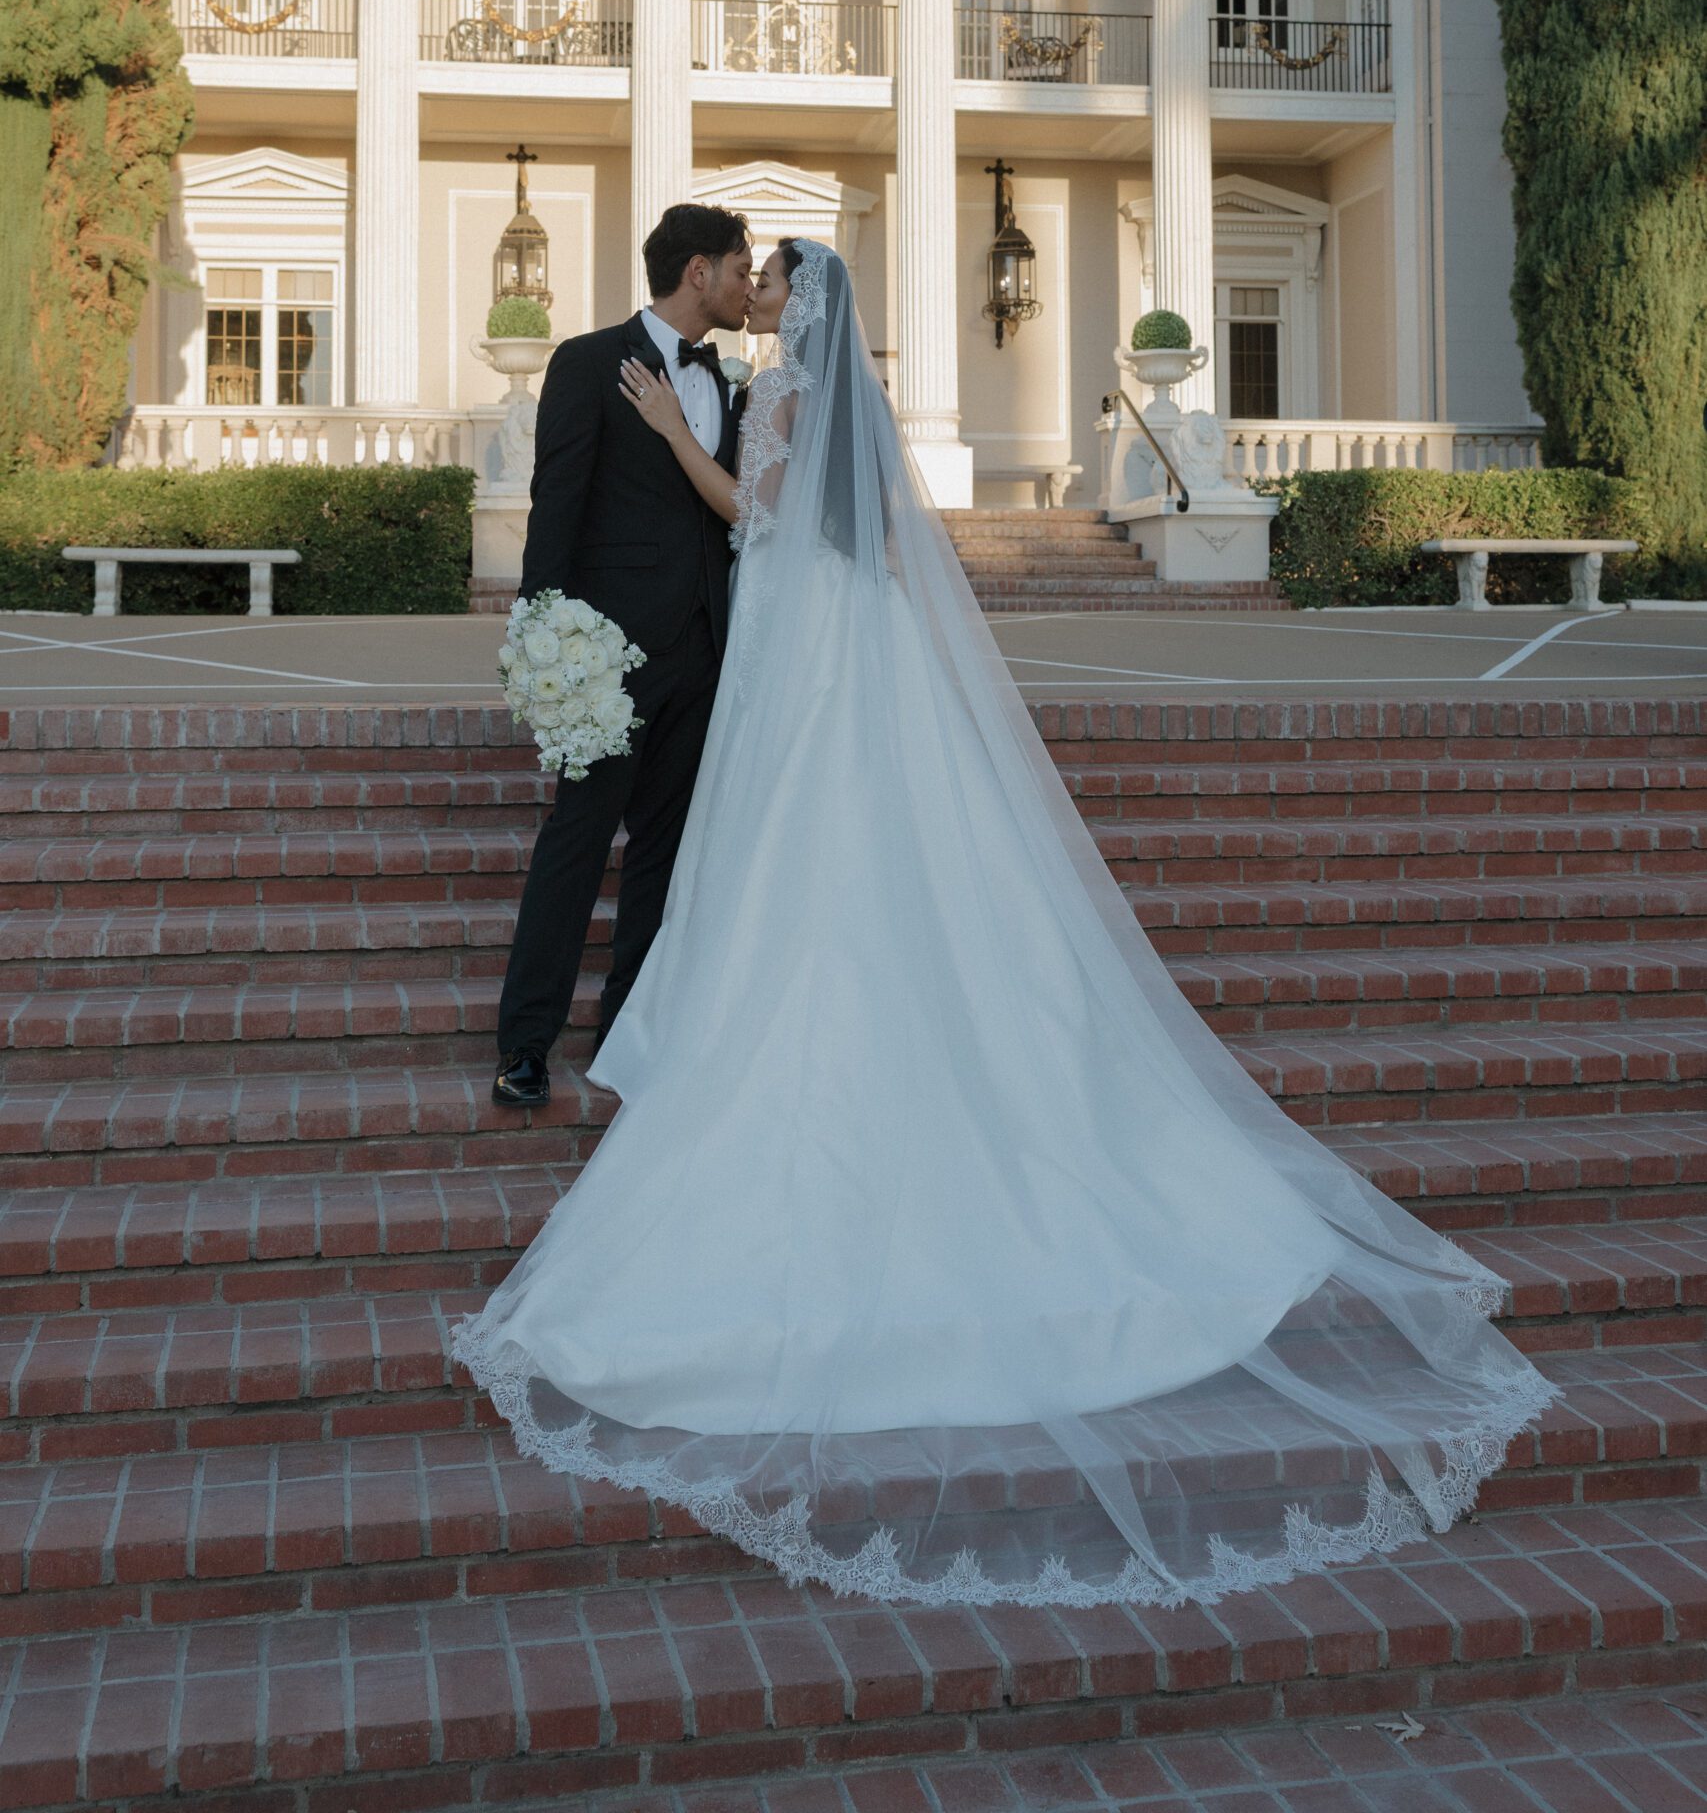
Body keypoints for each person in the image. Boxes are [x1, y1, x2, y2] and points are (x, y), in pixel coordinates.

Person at [457, 238, 1551, 1608]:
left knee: (787, 851)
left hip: (787, 647)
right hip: (798, 644)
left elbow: (754, 518)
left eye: (774, 281)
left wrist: (681, 431)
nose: (758, 292)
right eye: (749, 274)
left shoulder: (775, 394)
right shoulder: (798, 384)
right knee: (794, 847)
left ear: (796, 305)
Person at [488, 202, 751, 1110]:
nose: (748, 286)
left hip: (705, 656)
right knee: (576, 839)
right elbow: (555, 504)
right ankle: (523, 1043)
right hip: (607, 655)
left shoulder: (737, 384)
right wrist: (541, 634)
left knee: (664, 856)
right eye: (740, 268)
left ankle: (624, 1037)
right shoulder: (588, 362)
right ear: (698, 273)